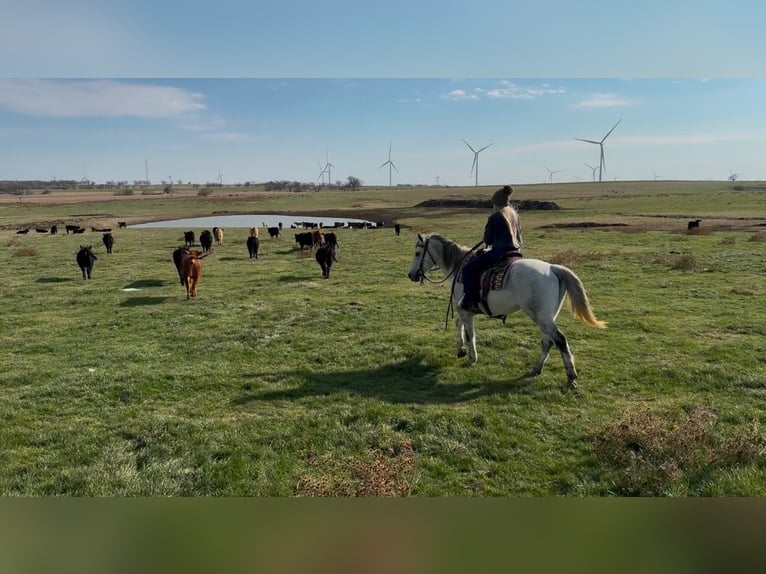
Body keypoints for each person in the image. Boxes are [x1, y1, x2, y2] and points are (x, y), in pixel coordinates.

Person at [459, 185, 523, 313]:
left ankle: (472, 301)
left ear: (496, 203)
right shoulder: (513, 215)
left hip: (499, 252)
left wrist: (487, 238)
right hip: (515, 252)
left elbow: (488, 240)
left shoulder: (496, 216)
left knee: (468, 269)